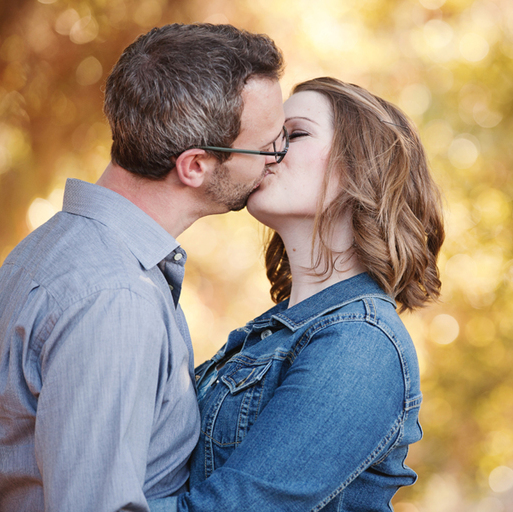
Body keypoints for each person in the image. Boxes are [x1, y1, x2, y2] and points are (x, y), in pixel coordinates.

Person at [0, 23, 286, 511]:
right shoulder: (115, 298)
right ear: (194, 166)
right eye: (268, 146)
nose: (278, 159)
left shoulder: (52, 247)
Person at [149, 77, 445, 511]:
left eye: (296, 134)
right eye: (268, 137)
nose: (268, 151)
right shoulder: (269, 334)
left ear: (361, 167)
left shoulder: (360, 343)